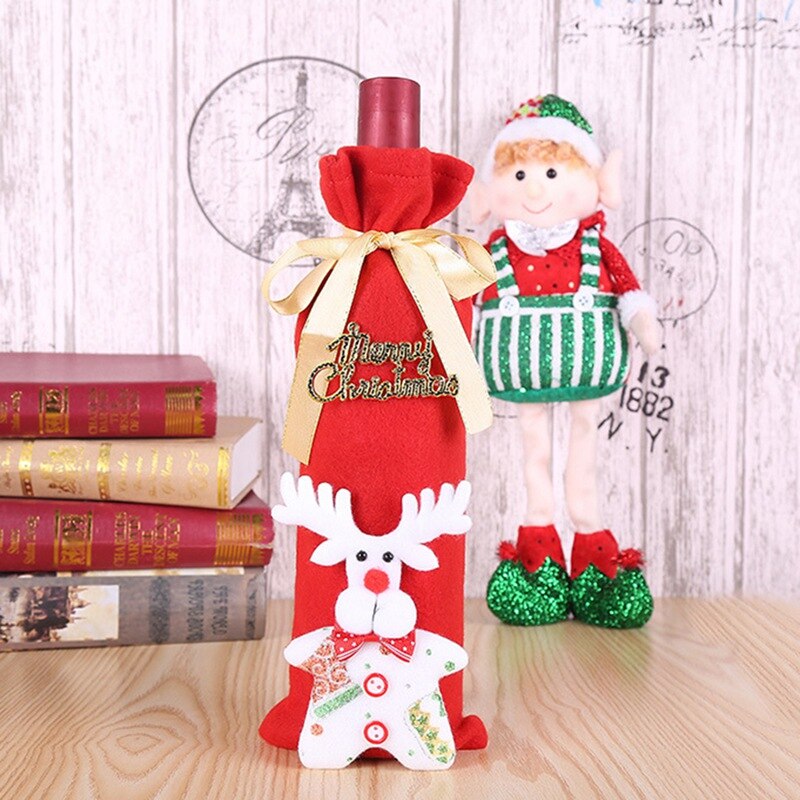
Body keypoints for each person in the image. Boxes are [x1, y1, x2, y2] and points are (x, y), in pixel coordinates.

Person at [471, 95, 658, 628]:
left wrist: (643, 322)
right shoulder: (494, 248)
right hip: (518, 369)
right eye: (522, 173)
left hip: (588, 369)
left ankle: (592, 542)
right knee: (532, 455)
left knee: (584, 455)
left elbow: (630, 292)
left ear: (592, 179)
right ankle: (537, 550)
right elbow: (467, 298)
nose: (535, 188)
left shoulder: (596, 243)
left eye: (552, 172)